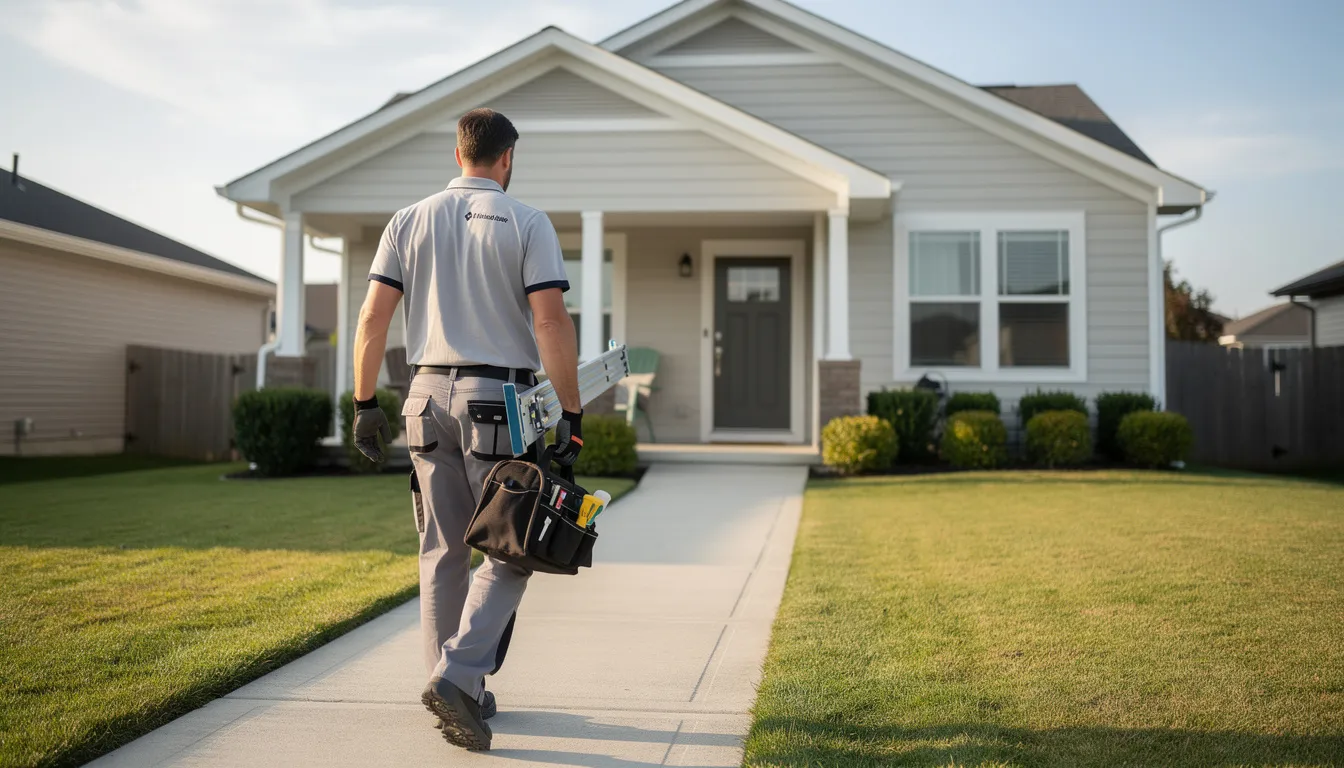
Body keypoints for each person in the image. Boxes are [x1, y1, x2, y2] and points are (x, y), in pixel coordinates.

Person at [349, 108, 583, 751]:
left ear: (458, 155)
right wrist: (571, 412)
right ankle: (456, 678)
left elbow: (372, 319)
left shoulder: (407, 220)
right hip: (497, 402)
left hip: (423, 399)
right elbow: (550, 323)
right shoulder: (527, 221)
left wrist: (364, 402)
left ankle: (458, 689)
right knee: (513, 545)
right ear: (507, 158)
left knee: (442, 551)